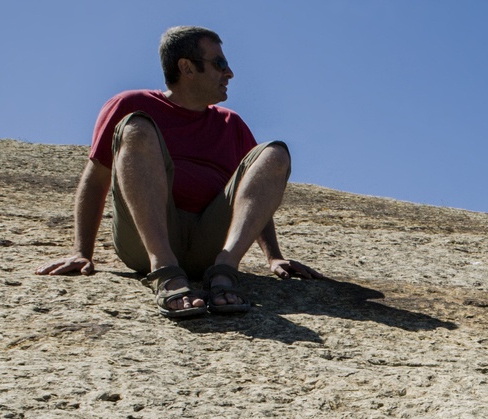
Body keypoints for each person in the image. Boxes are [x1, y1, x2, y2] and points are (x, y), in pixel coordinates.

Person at [37, 26, 324, 318]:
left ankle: (224, 272)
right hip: (146, 239)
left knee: (274, 154)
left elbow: (253, 194)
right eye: (219, 64)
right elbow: (96, 178)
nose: (230, 73)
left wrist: (273, 256)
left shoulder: (231, 124)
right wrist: (81, 252)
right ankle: (165, 271)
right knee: (136, 127)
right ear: (186, 67)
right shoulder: (130, 104)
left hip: (210, 246)